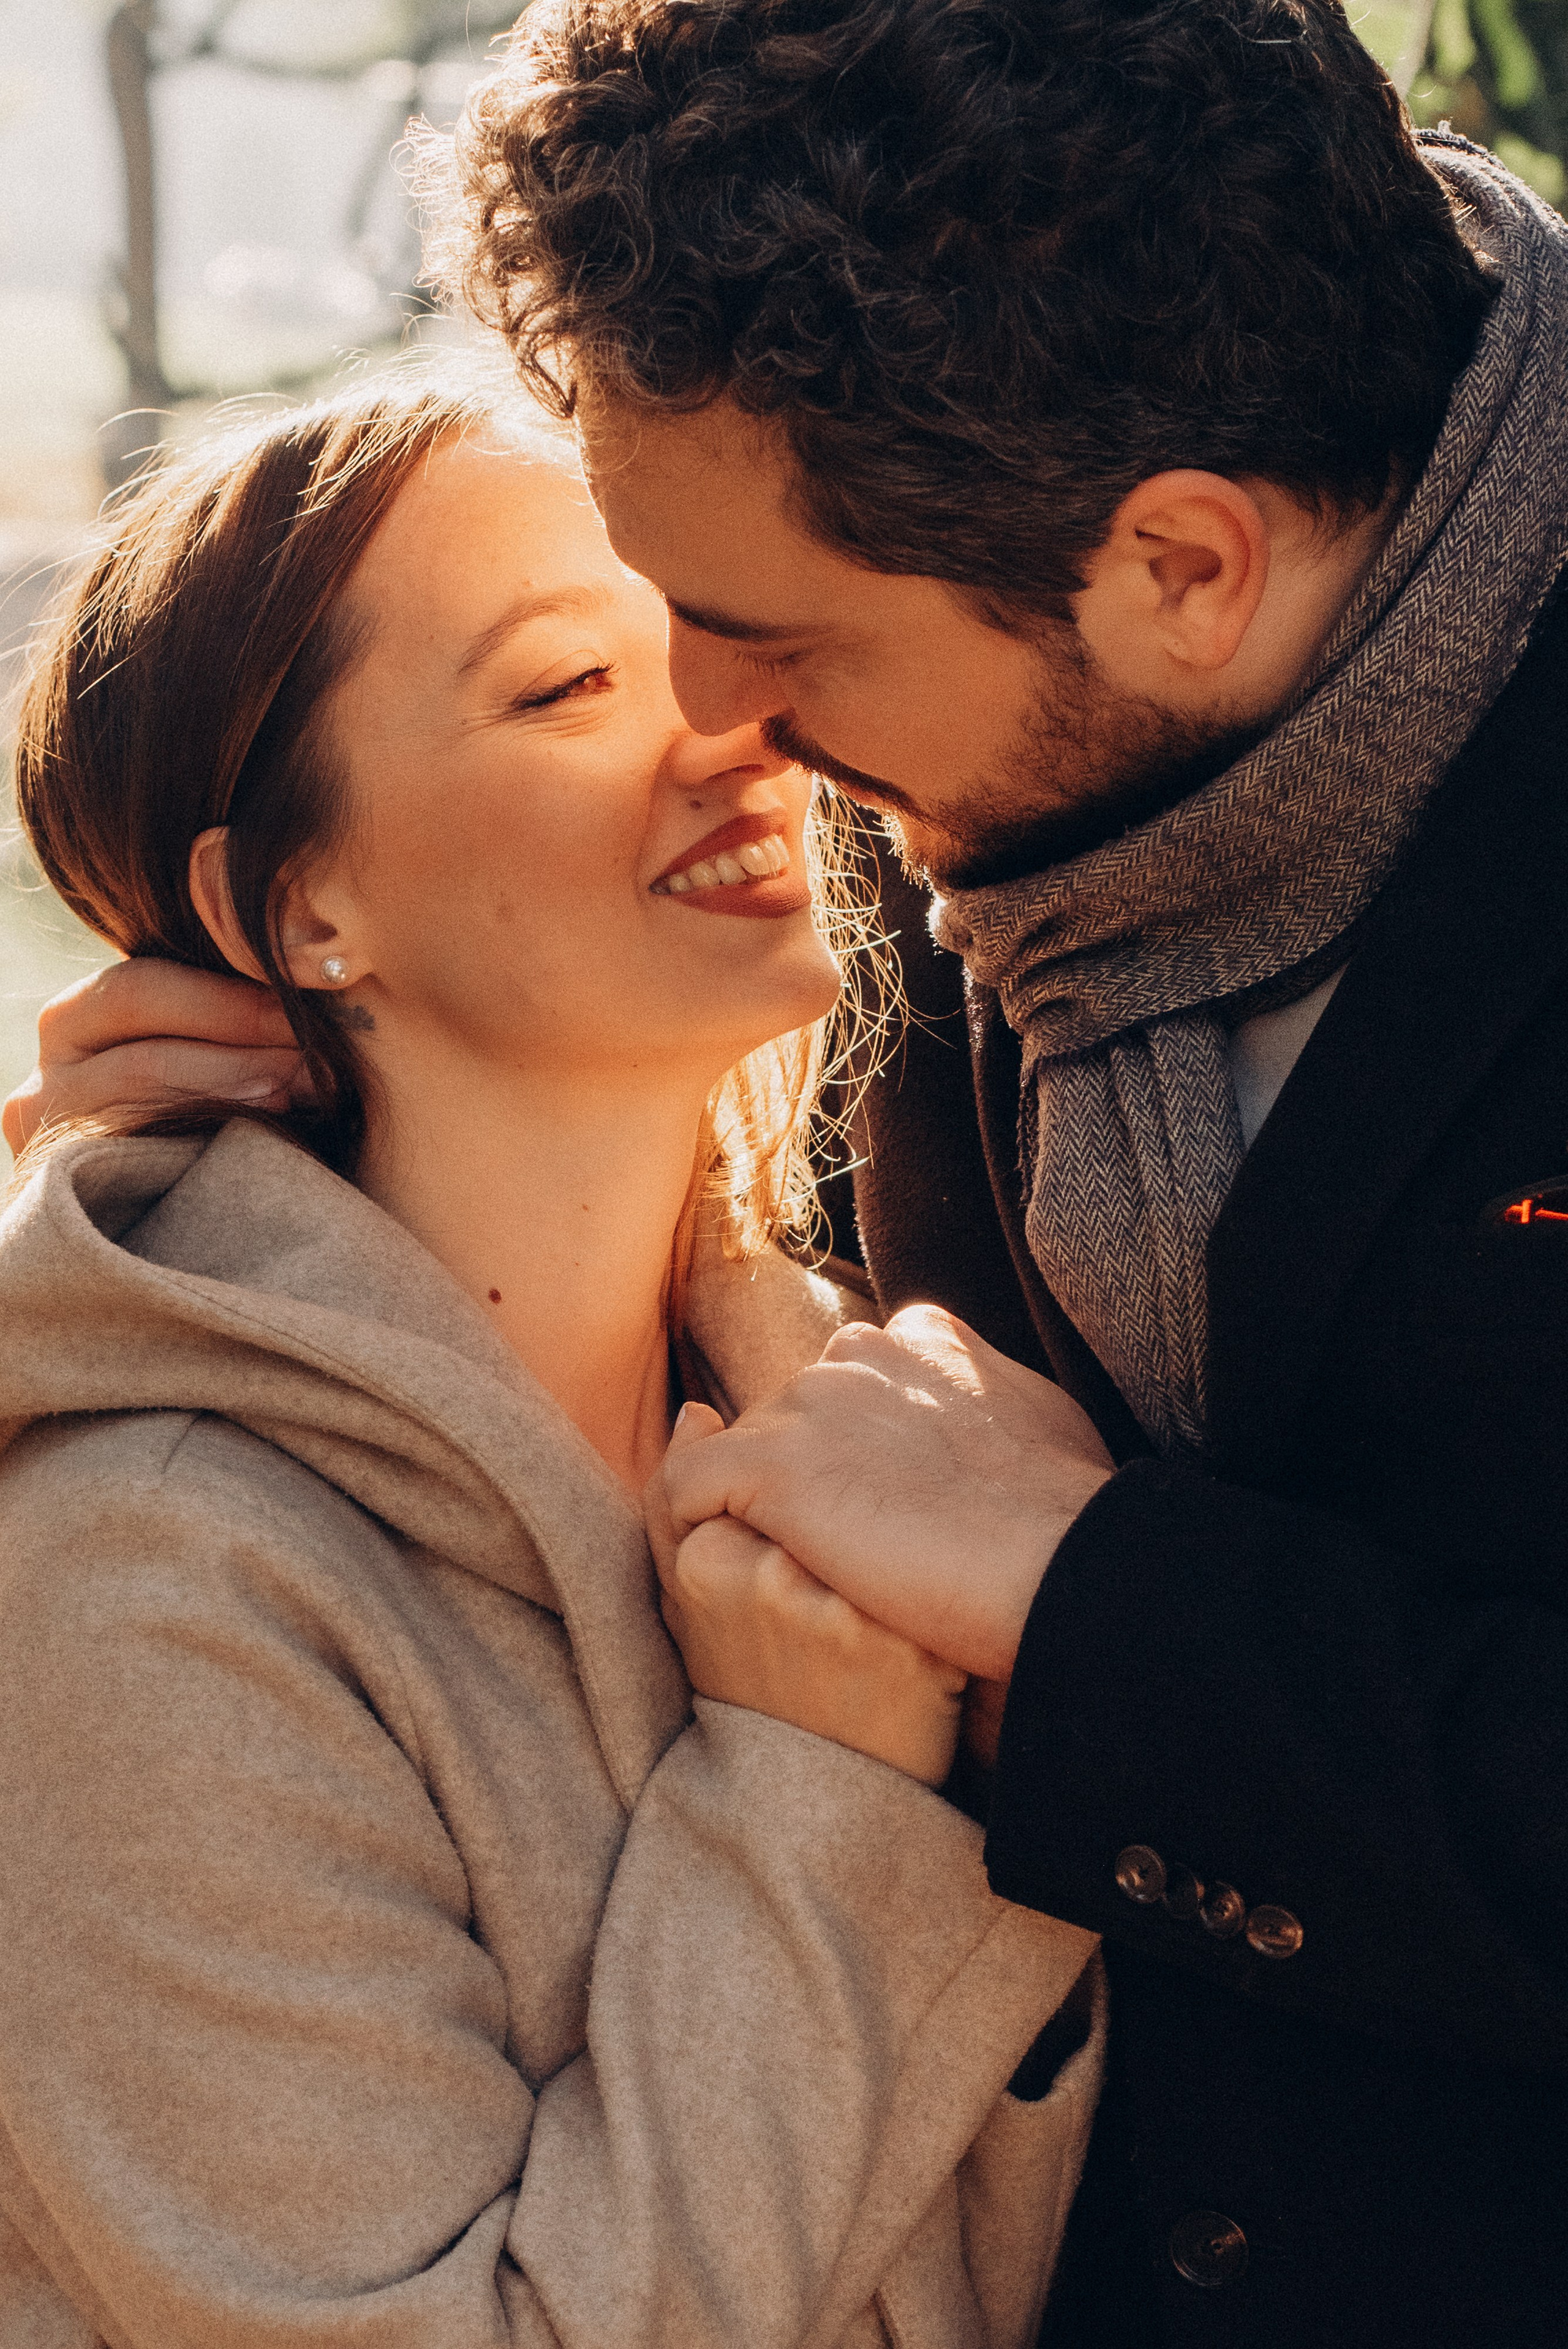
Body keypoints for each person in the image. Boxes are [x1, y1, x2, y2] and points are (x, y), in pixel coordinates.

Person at [18, 0, 1568, 2340]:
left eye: (755, 645)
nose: (731, 739)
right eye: (592, 667)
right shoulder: (949, 781)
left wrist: (1085, 1602)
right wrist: (153, 1232)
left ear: (1180, 567)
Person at [0, 375, 1107, 2348]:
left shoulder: (895, 1439)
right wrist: (819, 1789)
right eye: (561, 688)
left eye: (708, 637)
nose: (731, 729)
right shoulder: (148, 1574)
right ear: (303, 907)